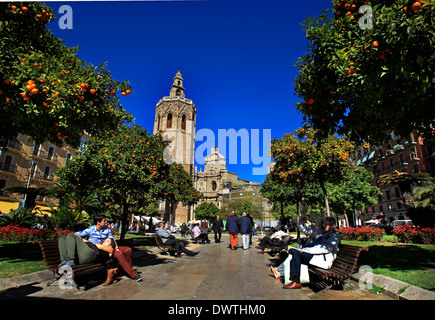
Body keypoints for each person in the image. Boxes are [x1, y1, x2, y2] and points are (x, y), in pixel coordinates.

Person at [75, 215, 142, 282]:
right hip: (101, 250)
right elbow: (76, 234)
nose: (106, 222)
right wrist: (84, 240)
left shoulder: (107, 229)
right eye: (104, 221)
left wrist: (117, 248)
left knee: (128, 250)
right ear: (98, 222)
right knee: (119, 254)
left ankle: (127, 269)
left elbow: (112, 239)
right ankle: (133, 274)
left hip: (110, 246)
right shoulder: (90, 230)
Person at [282, 216, 340, 289]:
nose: (324, 226)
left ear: (332, 226)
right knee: (293, 251)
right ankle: (292, 278)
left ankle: (296, 281)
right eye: (324, 224)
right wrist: (305, 250)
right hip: (316, 256)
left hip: (323, 260)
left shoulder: (334, 237)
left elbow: (324, 249)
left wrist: (306, 250)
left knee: (296, 253)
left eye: (326, 225)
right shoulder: (325, 234)